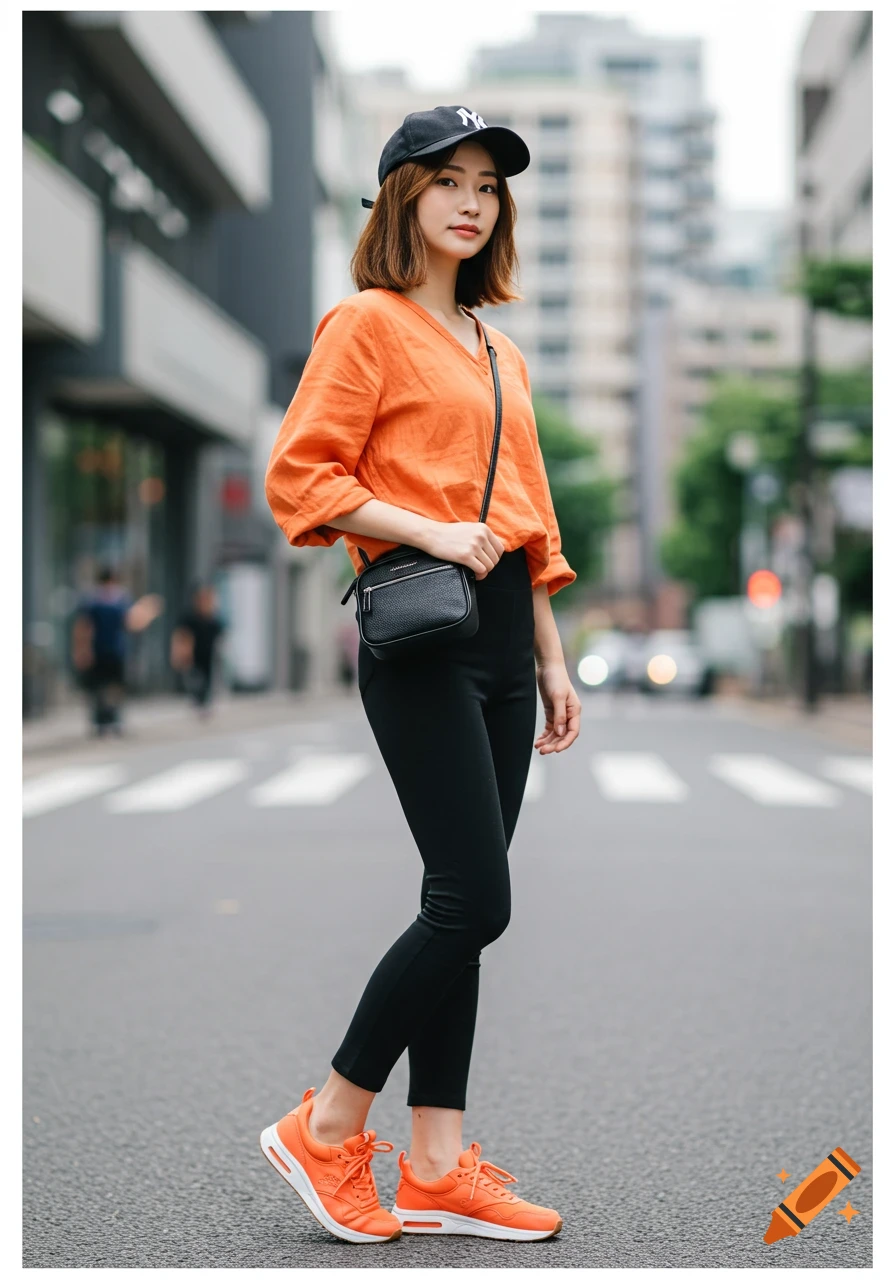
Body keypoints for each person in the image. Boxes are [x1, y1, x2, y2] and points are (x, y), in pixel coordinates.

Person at [260, 105, 581, 1245]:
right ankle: (330, 1124)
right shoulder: (365, 325)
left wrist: (550, 658)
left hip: (502, 635)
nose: (471, 200)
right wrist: (431, 530)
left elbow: (529, 519)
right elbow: (304, 479)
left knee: (466, 906)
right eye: (448, 178)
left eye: (488, 186)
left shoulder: (500, 350)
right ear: (401, 193)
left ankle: (437, 1160)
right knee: (471, 897)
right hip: (418, 629)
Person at [71, 566, 163, 737]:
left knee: (111, 686)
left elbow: (130, 622)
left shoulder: (114, 600)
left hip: (112, 650)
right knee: (102, 687)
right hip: (103, 650)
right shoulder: (98, 601)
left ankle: (109, 718)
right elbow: (84, 627)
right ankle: (104, 719)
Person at [169, 583, 226, 719]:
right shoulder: (190, 618)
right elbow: (181, 635)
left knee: (208, 679)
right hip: (193, 656)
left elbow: (220, 637)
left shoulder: (213, 619)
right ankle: (198, 701)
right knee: (196, 680)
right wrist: (179, 652)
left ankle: (204, 703)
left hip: (209, 656)